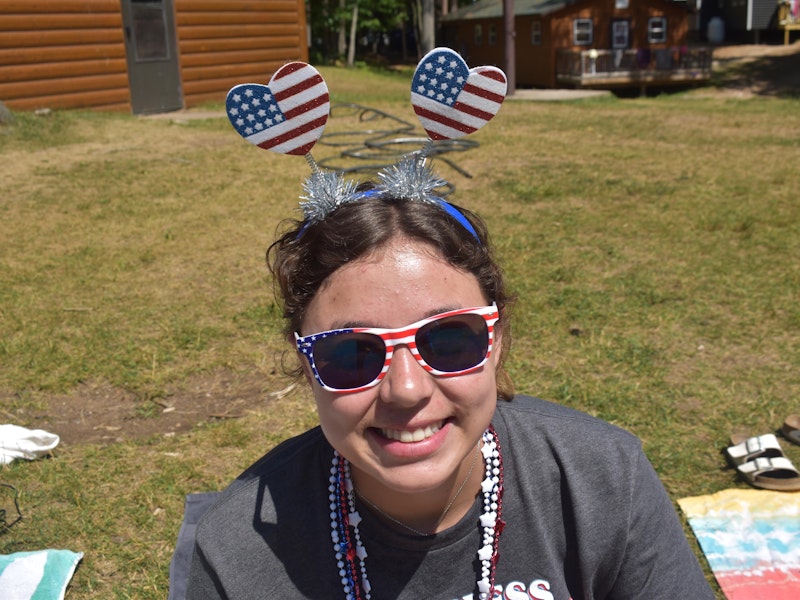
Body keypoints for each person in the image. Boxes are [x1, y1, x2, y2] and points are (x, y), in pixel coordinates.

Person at [185, 159, 714, 598]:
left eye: (448, 339)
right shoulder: (237, 549)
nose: (407, 389)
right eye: (352, 353)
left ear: (497, 339)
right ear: (306, 366)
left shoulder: (606, 483)